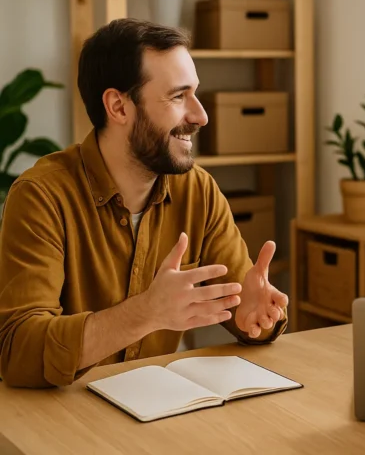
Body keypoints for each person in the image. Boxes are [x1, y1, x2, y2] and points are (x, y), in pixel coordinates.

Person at [0, 19, 288, 388]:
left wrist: (256, 317)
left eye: (195, 94)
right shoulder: (42, 196)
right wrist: (146, 313)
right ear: (118, 107)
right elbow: (18, 351)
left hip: (158, 413)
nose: (201, 116)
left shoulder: (198, 190)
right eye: (177, 96)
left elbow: (241, 304)